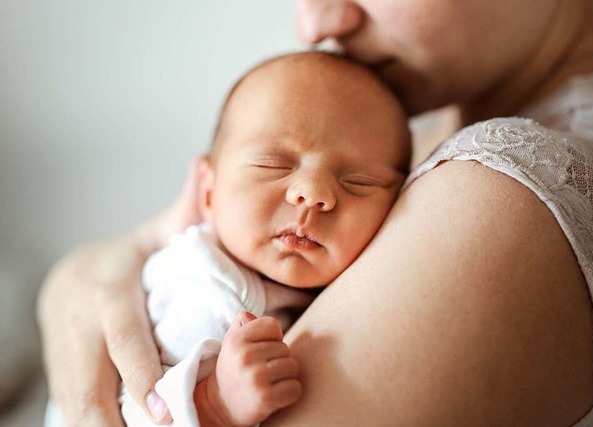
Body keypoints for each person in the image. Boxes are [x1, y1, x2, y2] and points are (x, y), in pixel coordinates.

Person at [38, 0, 593, 425]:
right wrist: (75, 280)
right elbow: (134, 255)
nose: (316, 21)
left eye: (357, 182)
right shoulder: (408, 127)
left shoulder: (509, 195)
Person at [44, 51, 411, 427]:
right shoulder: (206, 285)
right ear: (207, 192)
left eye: (360, 183)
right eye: (274, 165)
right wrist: (214, 406)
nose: (313, 193)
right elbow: (125, 407)